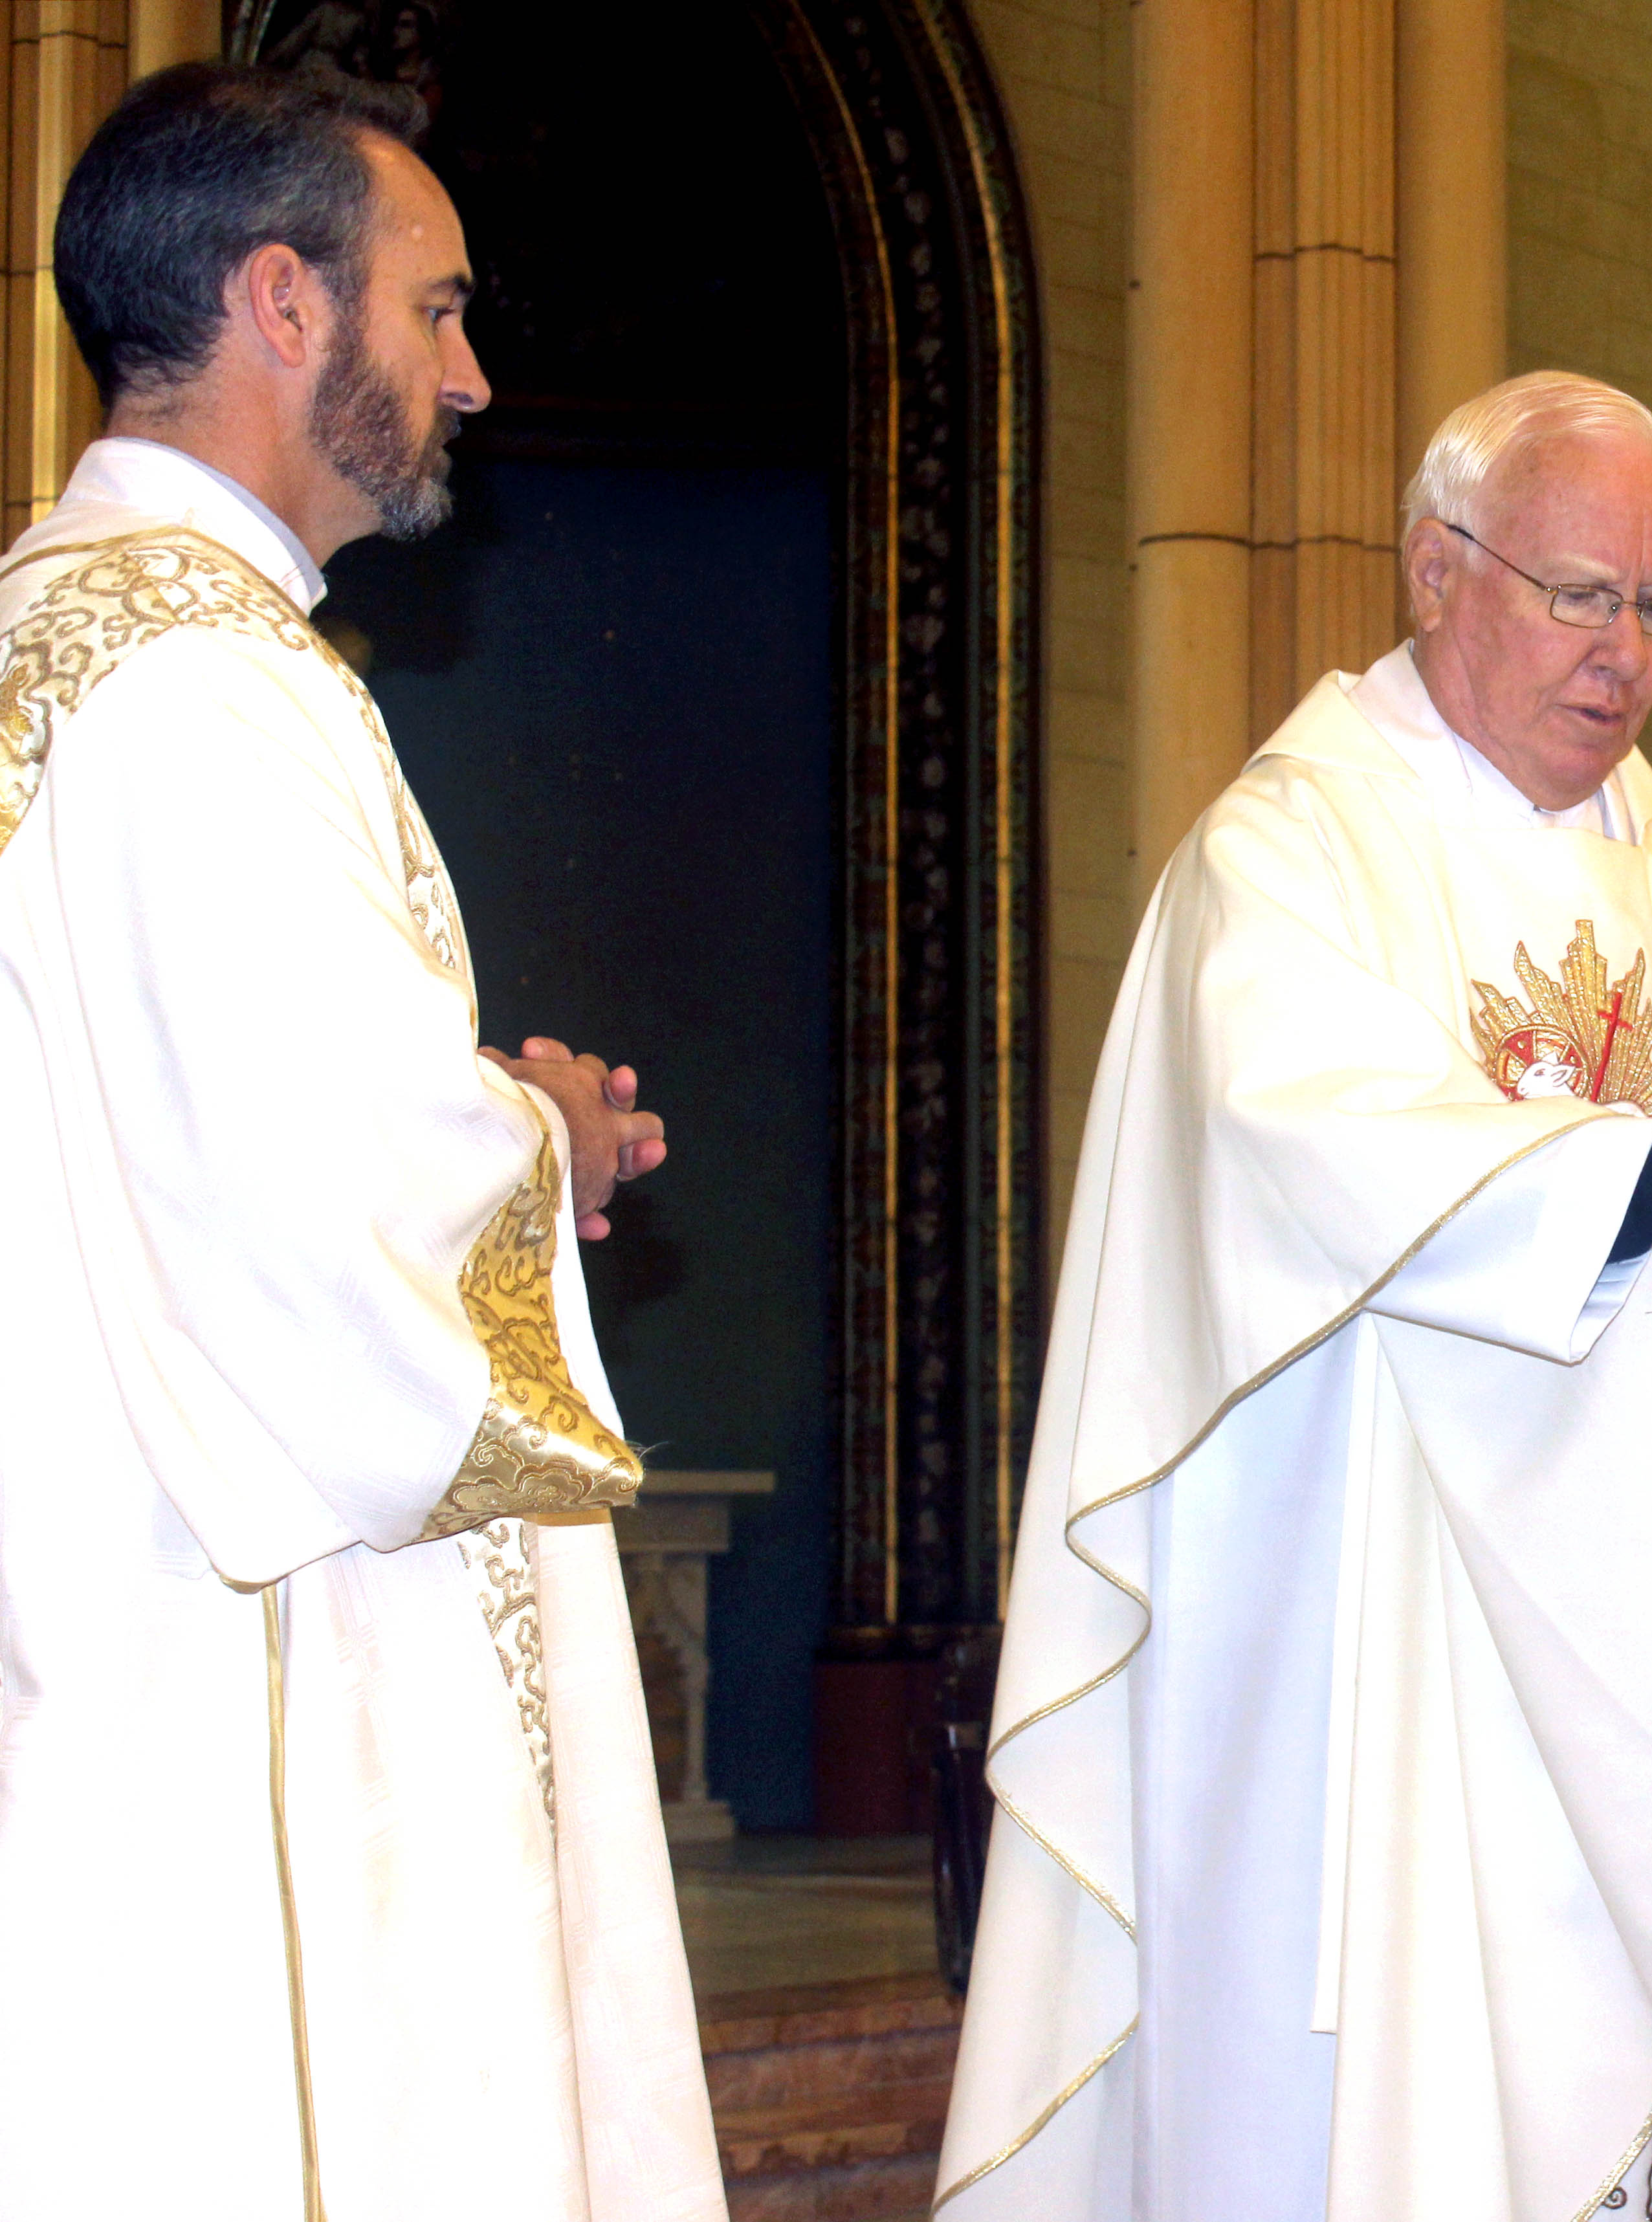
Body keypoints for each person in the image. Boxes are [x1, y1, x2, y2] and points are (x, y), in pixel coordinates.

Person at [938, 371, 1652, 2222]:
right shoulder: (1292, 849)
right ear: (1433, 570)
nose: (1627, 655)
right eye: (1582, 594)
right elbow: (1314, 1150)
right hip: (1379, 1661)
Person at [0, 65, 721, 2221]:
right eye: (439, 309)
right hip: (237, 1643)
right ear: (283, 303)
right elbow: (314, 1190)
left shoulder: (64, 629)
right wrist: (543, 1131)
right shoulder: (194, 684)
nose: (472, 372)